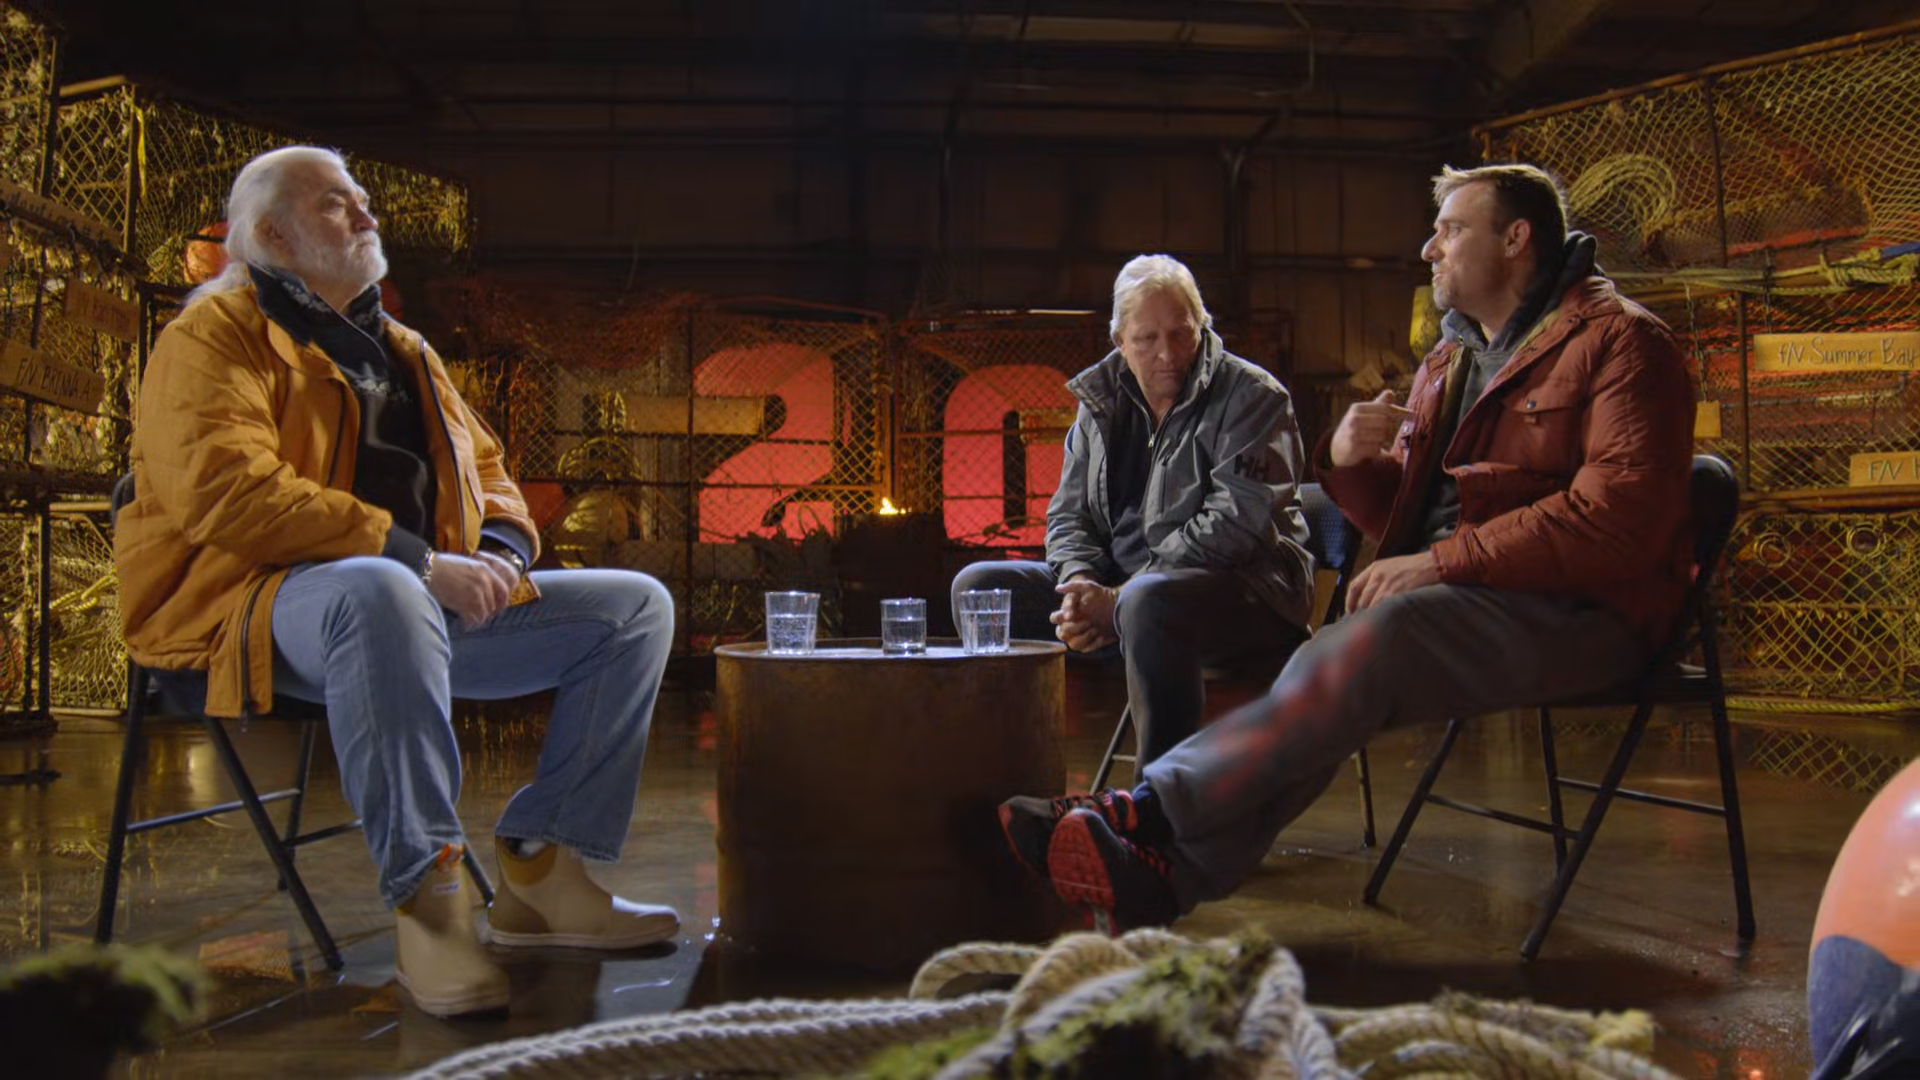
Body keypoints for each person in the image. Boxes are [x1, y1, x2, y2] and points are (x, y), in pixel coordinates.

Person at [999, 163, 1697, 932]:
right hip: (1466, 601)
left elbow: (1616, 520)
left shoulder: (1624, 343)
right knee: (1339, 668)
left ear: (1516, 239)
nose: (1429, 249)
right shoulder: (1453, 359)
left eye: (1451, 230)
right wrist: (1348, 462)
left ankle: (1147, 811)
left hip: (1585, 613)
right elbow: (1407, 513)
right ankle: (1161, 879)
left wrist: (1437, 562)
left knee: (1366, 644)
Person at [114, 146, 680, 1018]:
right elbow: (229, 492)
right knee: (382, 589)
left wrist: (501, 553)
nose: (367, 216)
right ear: (272, 235)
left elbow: (487, 469)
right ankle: (431, 904)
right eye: (336, 204)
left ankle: (545, 875)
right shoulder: (210, 335)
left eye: (361, 199)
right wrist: (418, 559)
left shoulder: (403, 349)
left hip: (415, 604)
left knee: (634, 608)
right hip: (251, 610)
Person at [951, 254, 1314, 784]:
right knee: (981, 587)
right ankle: (1006, 786)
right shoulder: (1100, 402)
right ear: (1120, 340)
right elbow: (1068, 514)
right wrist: (1080, 587)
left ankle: (1157, 809)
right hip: (1127, 597)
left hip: (1249, 596)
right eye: (1147, 339)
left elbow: (1235, 526)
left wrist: (1118, 600)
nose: (1167, 354)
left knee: (1147, 602)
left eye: (1181, 334)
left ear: (1202, 326)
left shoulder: (1253, 397)